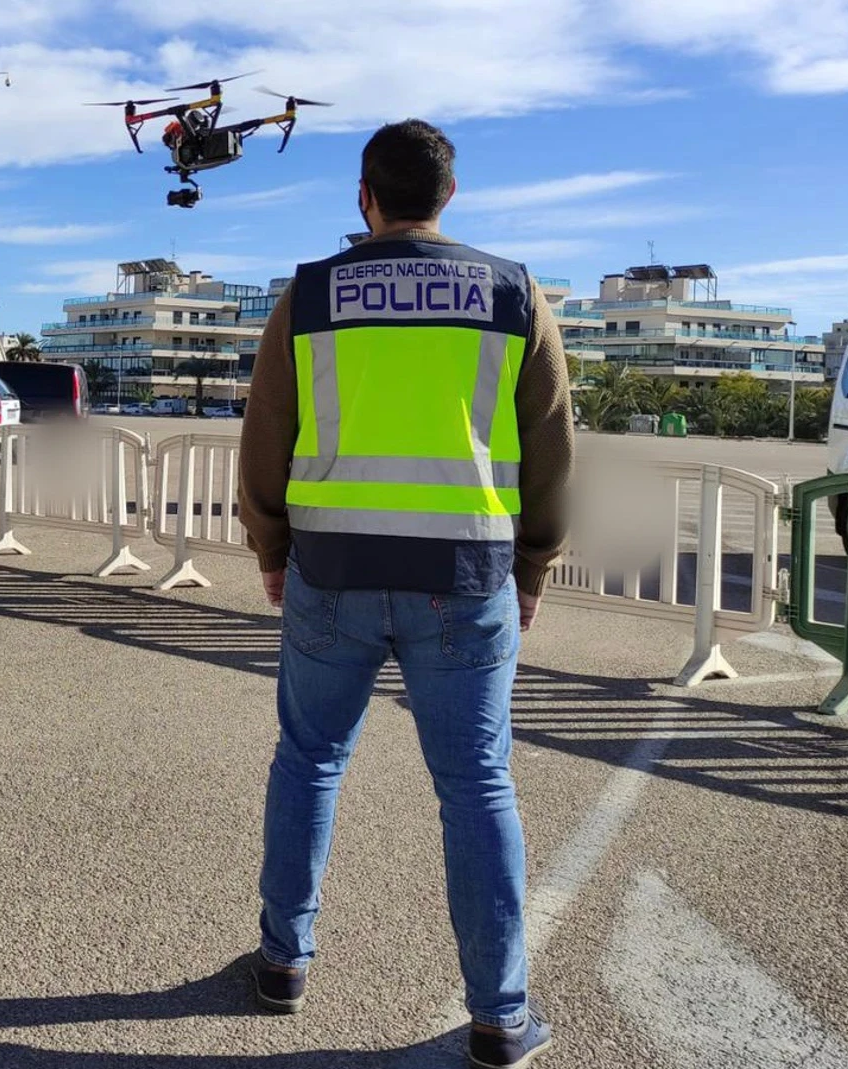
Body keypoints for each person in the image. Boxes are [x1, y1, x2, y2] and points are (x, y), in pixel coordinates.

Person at [236, 119, 573, 1069]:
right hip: (463, 577)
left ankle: (281, 963)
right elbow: (549, 441)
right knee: (476, 784)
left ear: (363, 196)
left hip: (332, 571)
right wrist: (534, 563)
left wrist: (271, 544)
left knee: (308, 761)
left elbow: (269, 426)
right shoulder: (513, 292)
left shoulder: (309, 293)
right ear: (449, 197)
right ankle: (500, 1016)